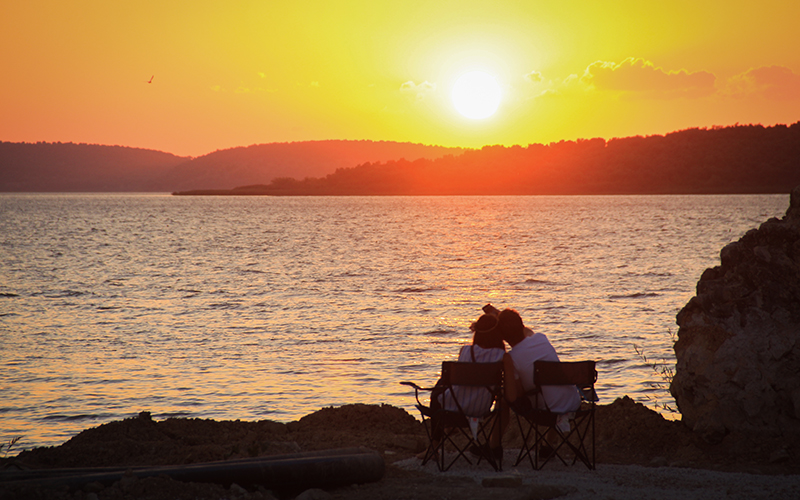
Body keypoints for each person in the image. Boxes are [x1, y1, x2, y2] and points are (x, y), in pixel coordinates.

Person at [417, 313, 505, 460]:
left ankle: (434, 447)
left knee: (439, 390)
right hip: (481, 409)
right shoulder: (502, 355)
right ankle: (451, 430)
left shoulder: (465, 351)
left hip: (454, 408)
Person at [498, 308, 580, 414]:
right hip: (573, 404)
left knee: (503, 397)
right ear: (522, 325)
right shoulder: (541, 338)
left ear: (503, 337)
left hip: (547, 411)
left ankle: (496, 431)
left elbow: (517, 394)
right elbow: (528, 332)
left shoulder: (512, 359)